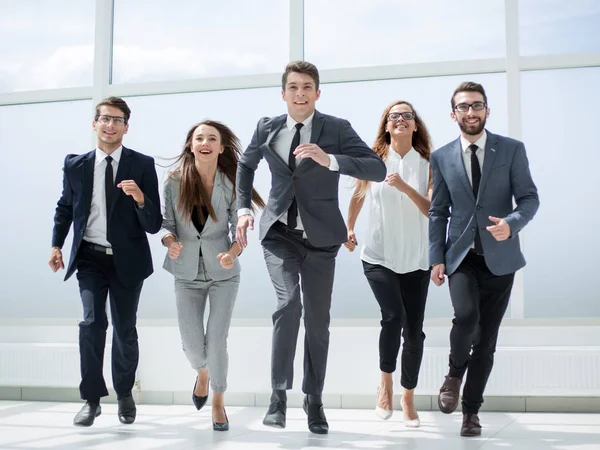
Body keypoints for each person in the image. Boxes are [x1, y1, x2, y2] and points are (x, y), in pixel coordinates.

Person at [235, 60, 386, 434]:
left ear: (318, 93)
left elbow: (376, 169)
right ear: (283, 93)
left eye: (307, 87)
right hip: (278, 235)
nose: (299, 94)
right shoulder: (266, 127)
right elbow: (245, 165)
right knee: (288, 305)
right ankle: (278, 396)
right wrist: (242, 209)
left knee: (318, 323)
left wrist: (330, 159)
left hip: (320, 241)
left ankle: (314, 399)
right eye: (293, 87)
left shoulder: (335, 128)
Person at [429, 82, 539, 436]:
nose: (471, 112)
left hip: (500, 258)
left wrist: (512, 224)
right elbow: (438, 212)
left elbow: (529, 199)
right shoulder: (442, 156)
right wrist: (436, 258)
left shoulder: (511, 150)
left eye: (477, 106)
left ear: (487, 110)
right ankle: (453, 374)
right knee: (466, 316)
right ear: (453, 114)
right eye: (464, 107)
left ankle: (470, 413)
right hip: (460, 256)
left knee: (487, 340)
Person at [49, 97, 162, 426]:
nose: (110, 125)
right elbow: (65, 208)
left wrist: (140, 198)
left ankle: (124, 394)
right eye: (104, 119)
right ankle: (92, 399)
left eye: (117, 120)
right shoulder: (76, 164)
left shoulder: (141, 164)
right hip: (90, 259)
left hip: (128, 261)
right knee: (92, 324)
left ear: (127, 126)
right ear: (94, 123)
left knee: (125, 330)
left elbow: (154, 224)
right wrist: (56, 245)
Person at [161, 120, 264, 431]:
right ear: (191, 146)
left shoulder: (231, 184)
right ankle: (202, 373)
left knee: (217, 341)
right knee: (193, 345)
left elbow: (238, 232)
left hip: (223, 274)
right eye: (199, 138)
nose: (204, 142)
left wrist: (232, 255)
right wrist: (170, 242)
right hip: (186, 274)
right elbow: (166, 224)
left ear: (221, 147)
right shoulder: (174, 181)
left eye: (212, 138)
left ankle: (218, 401)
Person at [345, 100, 432, 427]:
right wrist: (350, 227)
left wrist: (405, 187)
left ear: (414, 126)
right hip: (378, 256)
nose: (400, 119)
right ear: (386, 125)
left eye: (406, 116)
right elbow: (358, 195)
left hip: (417, 260)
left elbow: (431, 210)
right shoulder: (374, 161)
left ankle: (407, 397)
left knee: (414, 334)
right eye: (394, 116)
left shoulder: (429, 164)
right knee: (392, 317)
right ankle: (385, 385)